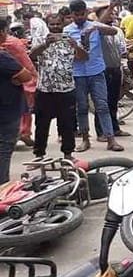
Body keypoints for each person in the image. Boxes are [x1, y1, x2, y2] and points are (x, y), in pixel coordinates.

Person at [65, 0, 123, 152]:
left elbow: (114, 31)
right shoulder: (67, 31)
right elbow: (71, 55)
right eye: (75, 15)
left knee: (102, 106)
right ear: (71, 15)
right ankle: (85, 139)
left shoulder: (94, 26)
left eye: (82, 14)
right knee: (82, 108)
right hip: (77, 74)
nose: (79, 17)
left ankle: (111, 139)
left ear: (86, 12)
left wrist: (95, 27)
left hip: (97, 72)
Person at [29, 13, 84, 160]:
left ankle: (68, 154)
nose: (55, 27)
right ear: (47, 25)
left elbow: (84, 57)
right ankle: (39, 154)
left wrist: (75, 46)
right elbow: (32, 56)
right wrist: (45, 44)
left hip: (66, 89)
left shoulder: (70, 39)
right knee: (41, 124)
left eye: (58, 24)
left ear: (62, 24)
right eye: (52, 24)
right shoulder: (41, 39)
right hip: (45, 90)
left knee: (67, 123)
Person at [93, 7, 131, 140]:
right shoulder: (95, 30)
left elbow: (122, 50)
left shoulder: (118, 31)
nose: (112, 16)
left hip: (116, 68)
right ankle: (101, 131)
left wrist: (124, 66)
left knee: (114, 100)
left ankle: (115, 128)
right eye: (108, 13)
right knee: (102, 102)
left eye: (113, 13)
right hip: (102, 69)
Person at [0, 49, 32, 182]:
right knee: (4, 149)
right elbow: (26, 76)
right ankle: (2, 187)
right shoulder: (3, 57)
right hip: (6, 109)